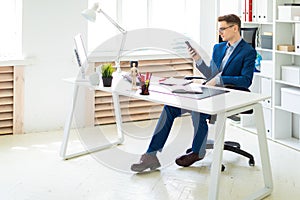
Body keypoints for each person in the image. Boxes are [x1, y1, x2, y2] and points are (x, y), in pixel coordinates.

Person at [131, 14, 257, 173]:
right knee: (170, 107)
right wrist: (198, 60)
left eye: (223, 29)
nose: (220, 33)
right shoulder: (218, 48)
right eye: (219, 29)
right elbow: (211, 74)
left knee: (198, 109)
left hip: (230, 95)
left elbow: (246, 80)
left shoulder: (248, 51)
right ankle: (151, 155)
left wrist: (219, 80)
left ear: (235, 28)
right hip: (211, 91)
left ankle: (197, 151)